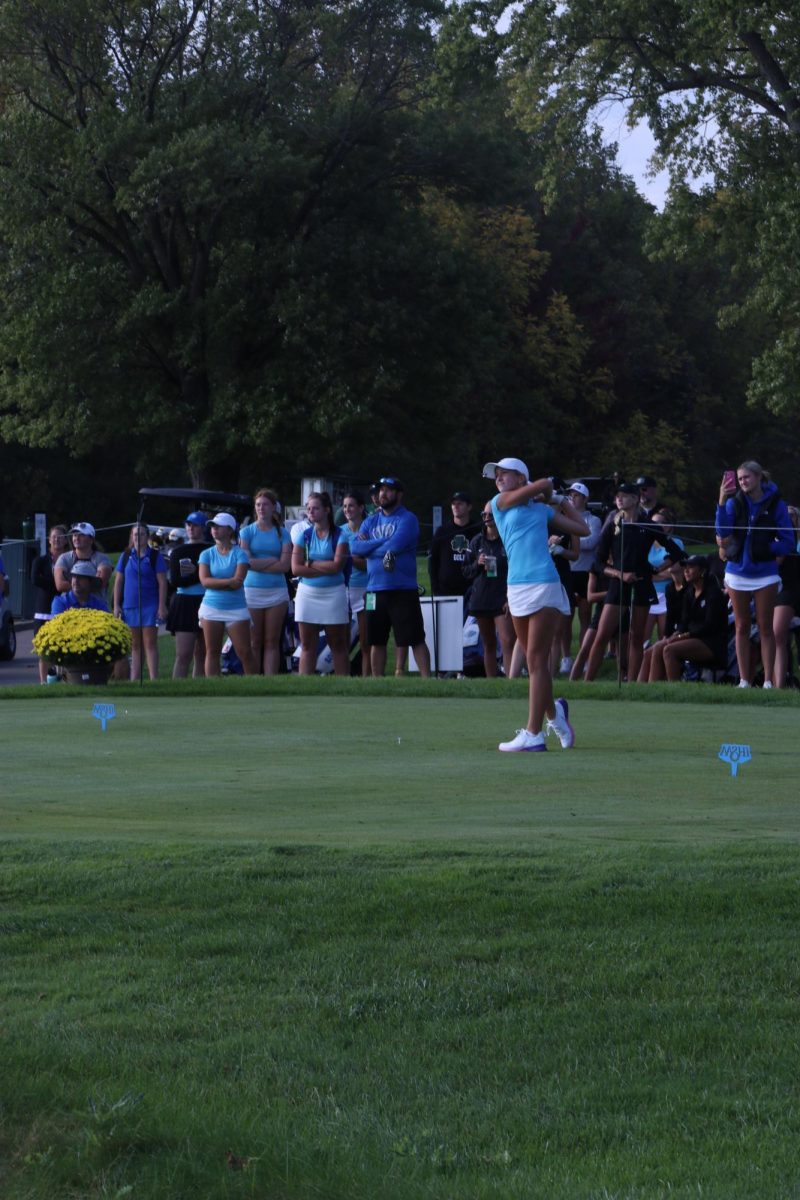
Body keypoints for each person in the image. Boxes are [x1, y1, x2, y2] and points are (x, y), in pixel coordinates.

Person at [482, 457, 588, 752]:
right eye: (497, 475)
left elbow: (583, 529)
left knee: (538, 661)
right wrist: (543, 489)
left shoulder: (542, 510)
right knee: (533, 661)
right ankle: (555, 715)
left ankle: (533, 734)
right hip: (516, 588)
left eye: (505, 474)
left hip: (545, 584)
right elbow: (541, 485)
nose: (499, 478)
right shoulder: (499, 502)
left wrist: (558, 500)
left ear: (520, 477)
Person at [583, 482, 684, 683]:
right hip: (618, 584)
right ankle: (588, 682)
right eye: (617, 496)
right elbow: (598, 563)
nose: (619, 499)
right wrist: (620, 575)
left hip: (641, 584)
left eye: (625, 495)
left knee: (637, 637)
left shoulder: (648, 525)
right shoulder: (613, 526)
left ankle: (633, 683)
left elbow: (676, 552)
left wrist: (656, 570)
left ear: (635, 499)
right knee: (602, 635)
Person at [715, 460, 794, 688]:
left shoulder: (776, 503)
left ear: (759, 477)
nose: (742, 482)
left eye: (746, 477)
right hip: (737, 572)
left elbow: (788, 540)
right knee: (741, 625)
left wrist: (767, 549)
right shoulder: (734, 503)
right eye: (739, 479)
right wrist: (721, 499)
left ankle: (768, 681)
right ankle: (743, 680)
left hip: (765, 573)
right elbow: (723, 532)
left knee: (765, 626)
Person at [350, 476, 431, 678]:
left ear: (399, 494)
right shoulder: (371, 520)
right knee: (375, 640)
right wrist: (384, 542)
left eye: (388, 490)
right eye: (380, 490)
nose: (382, 494)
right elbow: (355, 547)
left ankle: (427, 680)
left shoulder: (407, 519)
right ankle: (378, 681)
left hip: (402, 589)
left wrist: (373, 546)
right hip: (374, 590)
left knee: (414, 638)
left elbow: (395, 546)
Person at [290, 491, 351, 676]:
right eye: (308, 509)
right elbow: (296, 569)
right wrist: (324, 565)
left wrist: (311, 563)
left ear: (326, 510)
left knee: (338, 644)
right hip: (307, 594)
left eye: (315, 508)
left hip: (334, 594)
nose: (311, 512)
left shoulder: (340, 535)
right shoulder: (304, 536)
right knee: (307, 645)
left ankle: (344, 687)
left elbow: (337, 566)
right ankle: (305, 688)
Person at [645, 556, 729, 682]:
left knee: (669, 650)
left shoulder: (713, 593)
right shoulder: (689, 593)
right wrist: (677, 633)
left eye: (691, 567)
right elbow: (684, 621)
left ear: (702, 571)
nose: (686, 570)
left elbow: (709, 626)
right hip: (692, 638)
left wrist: (682, 636)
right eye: (685, 567)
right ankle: (646, 690)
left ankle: (675, 691)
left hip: (711, 643)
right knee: (657, 647)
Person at [239, 488, 292, 675]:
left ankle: (269, 680)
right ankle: (253, 680)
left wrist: (258, 562)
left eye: (265, 504)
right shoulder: (246, 532)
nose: (261, 508)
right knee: (254, 641)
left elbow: (285, 566)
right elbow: (245, 562)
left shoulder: (283, 533)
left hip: (276, 592)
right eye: (258, 505)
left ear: (273, 508)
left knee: (271, 641)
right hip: (252, 590)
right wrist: (272, 560)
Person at [198, 513, 257, 676]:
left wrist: (218, 582)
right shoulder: (206, 554)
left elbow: (238, 582)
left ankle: (255, 688)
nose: (214, 529)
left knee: (245, 652)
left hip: (236, 608)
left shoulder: (240, 554)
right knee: (212, 652)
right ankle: (214, 693)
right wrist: (228, 581)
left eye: (219, 526)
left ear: (230, 530)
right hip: (211, 607)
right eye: (213, 526)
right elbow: (205, 581)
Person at [462, 502, 515, 677]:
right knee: (489, 643)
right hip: (481, 598)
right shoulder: (477, 541)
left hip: (502, 597)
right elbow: (466, 571)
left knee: (507, 640)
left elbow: (516, 569)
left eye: (490, 514)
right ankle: (491, 683)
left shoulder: (508, 540)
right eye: (484, 514)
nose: (487, 518)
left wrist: (510, 597)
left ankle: (511, 679)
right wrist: (477, 564)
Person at [113, 523, 168, 681]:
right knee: (135, 646)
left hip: (150, 606)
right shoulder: (126, 556)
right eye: (135, 534)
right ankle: (134, 679)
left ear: (147, 537)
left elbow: (162, 582)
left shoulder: (154, 556)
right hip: (130, 607)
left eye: (141, 534)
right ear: (131, 536)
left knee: (150, 643)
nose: (138, 537)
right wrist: (117, 605)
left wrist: (161, 605)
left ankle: (153, 679)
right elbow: (118, 582)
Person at [166, 511, 210, 679]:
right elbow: (176, 581)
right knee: (183, 654)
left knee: (203, 654)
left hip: (206, 601)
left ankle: (199, 689)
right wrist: (200, 575)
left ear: (203, 528)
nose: (191, 528)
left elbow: (217, 576)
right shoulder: (178, 551)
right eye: (188, 524)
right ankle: (176, 691)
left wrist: (196, 573)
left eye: (195, 525)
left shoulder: (210, 549)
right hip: (184, 603)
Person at [565, 481, 602, 665]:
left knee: (585, 615)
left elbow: (591, 543)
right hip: (569, 573)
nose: (572, 498)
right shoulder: (563, 518)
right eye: (570, 495)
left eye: (577, 495)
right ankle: (566, 658)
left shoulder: (593, 520)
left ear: (585, 498)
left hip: (586, 573)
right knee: (566, 617)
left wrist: (569, 542)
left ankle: (584, 656)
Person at [429, 491, 482, 610]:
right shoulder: (442, 531)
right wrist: (435, 589)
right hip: (446, 592)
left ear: (469, 507)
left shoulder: (477, 532)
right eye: (453, 504)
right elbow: (433, 562)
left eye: (460, 503)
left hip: (472, 591)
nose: (456, 506)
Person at [338, 490, 372, 676]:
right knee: (341, 641)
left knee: (367, 640)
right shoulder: (340, 532)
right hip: (343, 588)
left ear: (361, 508)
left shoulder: (369, 529)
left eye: (351, 505)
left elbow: (372, 563)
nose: (347, 509)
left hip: (367, 589)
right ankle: (343, 679)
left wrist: (353, 559)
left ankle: (367, 680)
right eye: (344, 506)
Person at [31, 525, 70, 682]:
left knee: (65, 647)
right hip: (43, 610)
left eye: (60, 537)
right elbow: (35, 580)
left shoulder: (69, 560)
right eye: (54, 536)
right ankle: (43, 683)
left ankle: (66, 679)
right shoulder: (40, 561)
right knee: (44, 649)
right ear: (49, 540)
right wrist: (57, 584)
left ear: (66, 540)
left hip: (64, 609)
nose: (57, 539)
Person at [772, 504, 800, 688]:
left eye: (792, 515)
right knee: (778, 634)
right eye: (785, 515)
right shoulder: (777, 534)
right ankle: (778, 686)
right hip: (787, 588)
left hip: (794, 587)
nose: (789, 518)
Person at [54, 522, 112, 595]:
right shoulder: (63, 558)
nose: (77, 538)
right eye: (74, 535)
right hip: (70, 605)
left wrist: (71, 582)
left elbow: (99, 584)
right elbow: (60, 585)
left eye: (81, 535)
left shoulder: (102, 558)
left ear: (91, 539)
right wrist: (89, 582)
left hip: (95, 605)